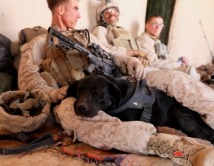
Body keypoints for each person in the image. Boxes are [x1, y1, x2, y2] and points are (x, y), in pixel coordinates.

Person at [18, 0, 214, 165]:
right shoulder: (39, 43)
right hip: (76, 95)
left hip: (116, 83)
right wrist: (53, 93)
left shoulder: (88, 37)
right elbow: (27, 80)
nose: (79, 15)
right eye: (76, 8)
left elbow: (112, 53)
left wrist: (130, 61)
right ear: (61, 9)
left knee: (175, 78)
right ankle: (173, 147)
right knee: (73, 117)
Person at [136, 15, 200, 79]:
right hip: (157, 72)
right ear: (146, 25)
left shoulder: (157, 41)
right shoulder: (143, 40)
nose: (158, 27)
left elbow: (164, 59)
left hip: (165, 69)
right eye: (155, 24)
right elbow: (153, 62)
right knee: (189, 70)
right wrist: (176, 64)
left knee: (195, 72)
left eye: (160, 25)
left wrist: (179, 61)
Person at [91, 0, 149, 67]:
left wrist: (142, 58)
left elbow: (136, 48)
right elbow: (102, 49)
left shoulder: (123, 30)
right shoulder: (100, 29)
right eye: (107, 12)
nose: (112, 15)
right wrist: (134, 53)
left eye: (114, 11)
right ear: (101, 16)